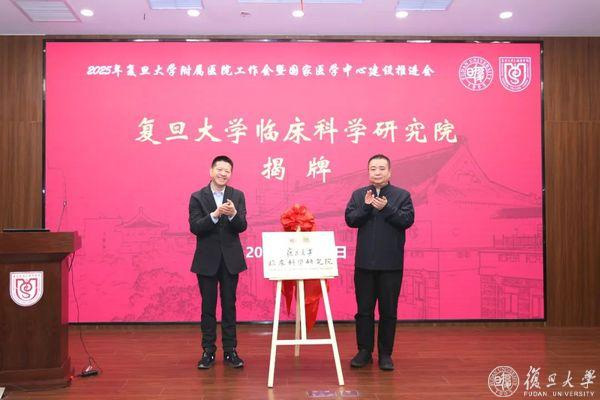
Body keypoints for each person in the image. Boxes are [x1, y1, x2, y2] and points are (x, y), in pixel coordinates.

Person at [344, 154, 415, 371]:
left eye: (382, 168)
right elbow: (350, 220)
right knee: (364, 311)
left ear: (389, 172)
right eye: (373, 168)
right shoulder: (359, 195)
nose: (377, 172)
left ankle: (385, 354)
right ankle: (364, 351)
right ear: (368, 172)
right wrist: (366, 207)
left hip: (391, 265)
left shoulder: (402, 195)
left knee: (388, 311)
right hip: (364, 264)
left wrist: (387, 208)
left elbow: (407, 220)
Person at [188, 155, 247, 369]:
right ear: (211, 171)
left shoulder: (237, 195)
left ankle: (230, 351)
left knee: (229, 305)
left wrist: (233, 215)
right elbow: (195, 227)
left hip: (231, 260)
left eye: (227, 171)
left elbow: (242, 226)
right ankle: (208, 351)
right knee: (208, 307)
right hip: (207, 260)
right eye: (219, 169)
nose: (223, 174)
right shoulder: (197, 197)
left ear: (231, 174)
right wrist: (214, 215)